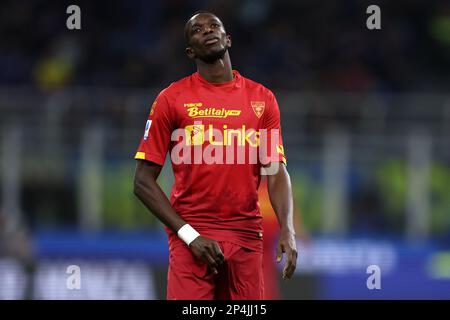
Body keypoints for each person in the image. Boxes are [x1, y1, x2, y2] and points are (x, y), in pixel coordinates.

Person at [133, 11, 297, 300]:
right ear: (189, 50)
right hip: (192, 237)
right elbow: (142, 182)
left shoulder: (262, 99)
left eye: (214, 26)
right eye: (197, 30)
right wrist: (189, 236)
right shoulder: (171, 100)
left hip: (246, 237)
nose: (207, 31)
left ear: (227, 38)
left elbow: (275, 171)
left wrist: (288, 229)